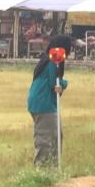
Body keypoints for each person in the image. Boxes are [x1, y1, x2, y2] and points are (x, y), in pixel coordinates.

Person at [27, 34, 71, 167]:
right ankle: (41, 170)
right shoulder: (52, 61)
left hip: (42, 102)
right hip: (43, 104)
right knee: (46, 139)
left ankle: (53, 168)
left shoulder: (47, 60)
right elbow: (54, 83)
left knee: (56, 136)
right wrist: (64, 83)